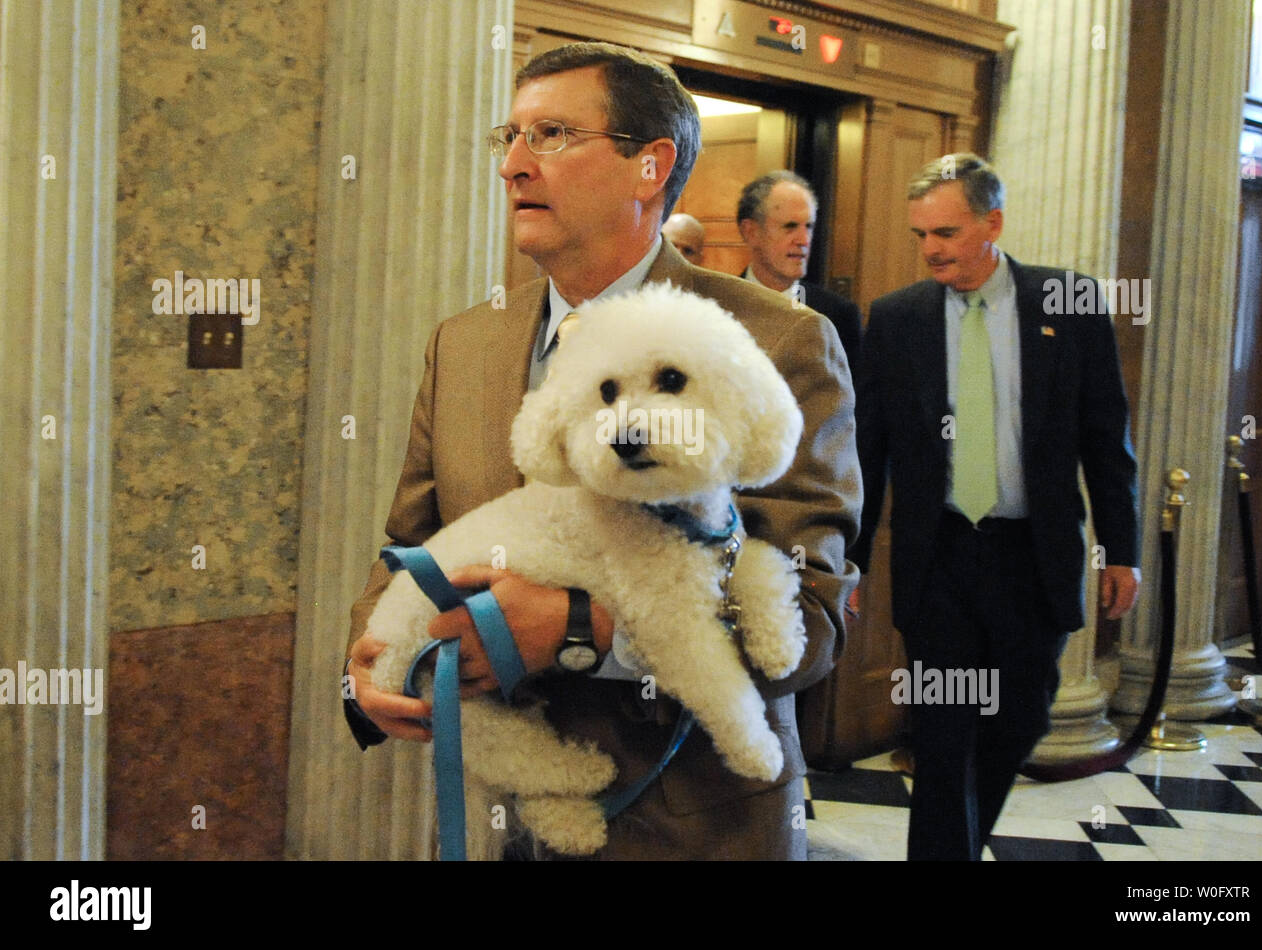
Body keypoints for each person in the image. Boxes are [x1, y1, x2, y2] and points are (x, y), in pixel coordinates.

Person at [344, 41, 861, 860]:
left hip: (696, 826)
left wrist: (580, 629)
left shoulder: (776, 340)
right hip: (510, 817)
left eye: (549, 135)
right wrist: (366, 670)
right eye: (507, 138)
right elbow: (409, 541)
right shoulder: (467, 342)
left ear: (649, 167)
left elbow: (814, 617)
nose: (514, 164)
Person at [850, 153, 1140, 861]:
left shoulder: (1068, 304)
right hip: (940, 557)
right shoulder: (897, 319)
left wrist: (1122, 548)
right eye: (921, 234)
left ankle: (960, 842)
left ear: (994, 223)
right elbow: (867, 450)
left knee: (1020, 717)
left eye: (946, 232)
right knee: (943, 735)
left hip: (1030, 555)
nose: (931, 249)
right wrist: (848, 558)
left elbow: (1106, 438)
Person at [736, 170, 863, 385]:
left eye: (809, 227)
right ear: (751, 232)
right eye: (790, 226)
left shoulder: (839, 316)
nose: (803, 240)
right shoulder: (715, 305)